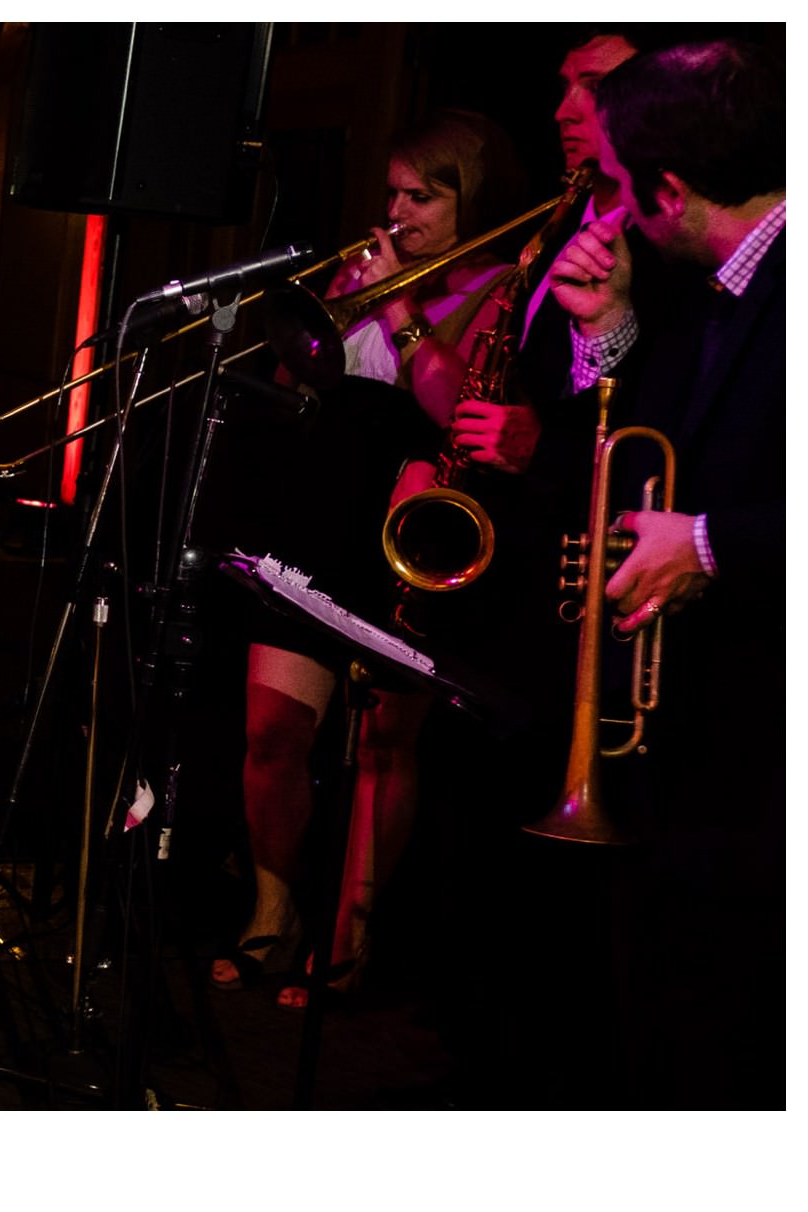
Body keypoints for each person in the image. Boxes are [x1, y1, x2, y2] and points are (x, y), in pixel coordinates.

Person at [214, 109, 523, 1000]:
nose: (397, 211)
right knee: (271, 732)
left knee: (383, 745)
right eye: (392, 192)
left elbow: (455, 406)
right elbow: (292, 389)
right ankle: (274, 912)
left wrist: (401, 309)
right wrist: (327, 316)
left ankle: (352, 929)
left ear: (474, 200)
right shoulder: (369, 274)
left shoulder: (502, 286)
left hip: (407, 532)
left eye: (420, 196)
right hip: (315, 519)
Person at [544, 38, 784, 1106]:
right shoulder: (721, 281)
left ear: (670, 187)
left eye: (618, 186)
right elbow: (654, 445)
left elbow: (704, 511)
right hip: (700, 759)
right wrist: (604, 331)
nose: (615, 213)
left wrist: (706, 544)